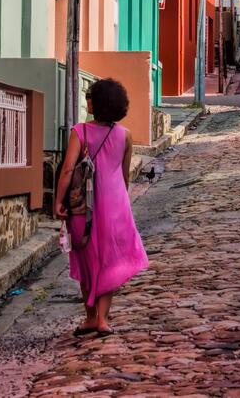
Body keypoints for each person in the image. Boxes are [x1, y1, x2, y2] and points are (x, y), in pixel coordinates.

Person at [54, 78, 149, 337]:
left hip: (84, 208)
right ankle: (103, 319)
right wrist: (122, 202)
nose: (87, 101)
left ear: (96, 103)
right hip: (116, 206)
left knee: (86, 261)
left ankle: (91, 317)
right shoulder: (125, 135)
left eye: (89, 97)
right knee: (109, 261)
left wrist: (58, 201)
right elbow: (124, 175)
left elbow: (67, 170)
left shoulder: (80, 132)